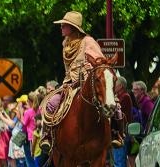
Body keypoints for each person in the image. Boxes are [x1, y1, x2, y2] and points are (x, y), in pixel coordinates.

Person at [37, 11, 119, 153]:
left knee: (114, 104)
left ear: (73, 27)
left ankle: (116, 133)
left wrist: (90, 66)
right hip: (68, 84)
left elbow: (101, 63)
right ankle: (47, 136)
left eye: (64, 25)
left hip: (86, 83)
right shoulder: (66, 44)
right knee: (51, 103)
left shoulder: (88, 41)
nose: (61, 27)